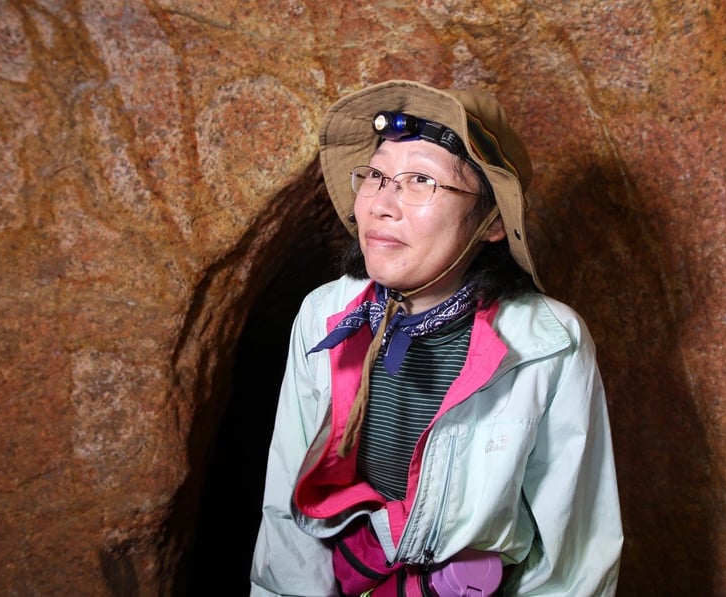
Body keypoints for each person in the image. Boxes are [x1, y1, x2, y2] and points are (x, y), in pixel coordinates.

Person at [250, 80, 622, 596]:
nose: (382, 205)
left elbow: (574, 561)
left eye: (421, 180)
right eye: (376, 175)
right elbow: (288, 517)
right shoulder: (324, 316)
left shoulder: (550, 345)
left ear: (492, 222)